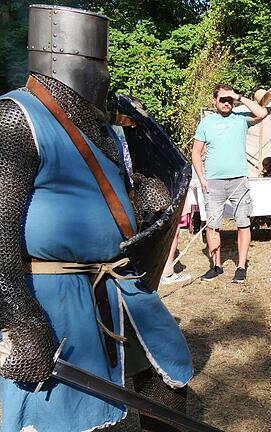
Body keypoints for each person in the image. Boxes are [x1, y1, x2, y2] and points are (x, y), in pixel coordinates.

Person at [0, 5, 193, 431]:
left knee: (168, 377)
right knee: (58, 415)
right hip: (54, 293)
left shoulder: (98, 127)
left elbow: (104, 194)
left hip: (119, 284)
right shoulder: (17, 118)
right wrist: (21, 320)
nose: (103, 77)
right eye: (97, 66)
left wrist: (142, 198)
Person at [192, 83, 267, 283]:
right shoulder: (206, 123)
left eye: (229, 100)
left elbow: (263, 113)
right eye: (222, 99)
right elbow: (196, 153)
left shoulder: (241, 119)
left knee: (243, 223)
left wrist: (239, 97)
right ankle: (216, 266)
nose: (226, 103)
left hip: (238, 181)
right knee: (212, 226)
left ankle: (241, 267)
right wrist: (202, 179)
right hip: (213, 182)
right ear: (214, 100)